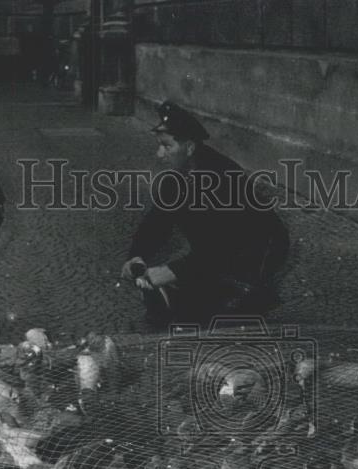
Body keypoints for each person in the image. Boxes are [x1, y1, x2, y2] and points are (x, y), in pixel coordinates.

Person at [121, 100, 290, 325]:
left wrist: (170, 271)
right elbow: (157, 222)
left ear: (190, 147)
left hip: (259, 251)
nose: (159, 154)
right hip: (217, 253)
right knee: (179, 309)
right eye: (159, 145)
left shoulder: (222, 176)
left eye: (166, 146)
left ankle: (251, 295)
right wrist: (137, 255)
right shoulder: (177, 179)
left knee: (219, 319)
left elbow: (221, 247)